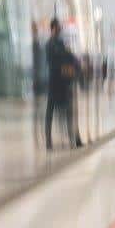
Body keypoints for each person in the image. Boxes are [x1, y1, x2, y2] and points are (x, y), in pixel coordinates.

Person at [45, 18, 81, 150]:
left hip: (62, 84)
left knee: (68, 113)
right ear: (53, 28)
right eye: (58, 27)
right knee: (50, 113)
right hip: (54, 84)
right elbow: (54, 62)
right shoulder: (49, 45)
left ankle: (74, 139)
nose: (60, 30)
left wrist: (75, 63)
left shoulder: (60, 43)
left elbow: (70, 56)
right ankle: (49, 141)